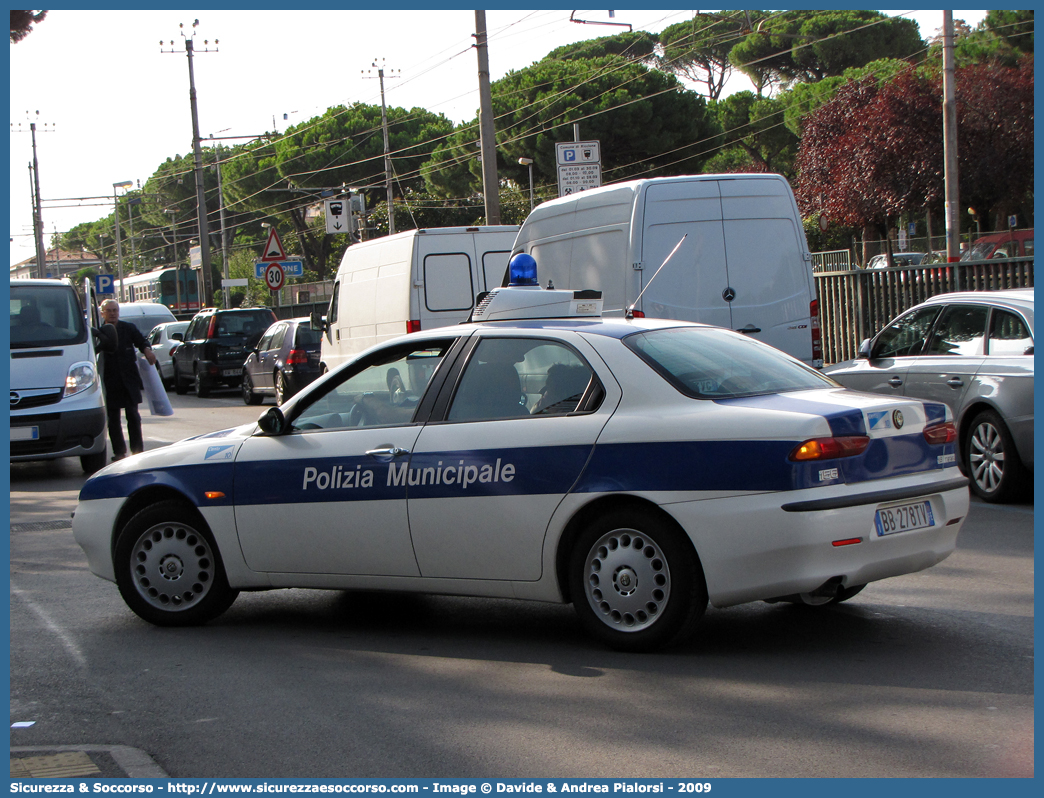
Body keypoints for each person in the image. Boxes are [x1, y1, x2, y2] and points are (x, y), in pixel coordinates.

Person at [99, 299, 157, 461]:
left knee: (133, 415)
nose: (112, 313)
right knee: (113, 418)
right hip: (110, 381)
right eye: (109, 311)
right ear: (102, 313)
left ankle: (137, 450)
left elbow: (141, 341)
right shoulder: (100, 331)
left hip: (129, 380)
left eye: (115, 310)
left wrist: (147, 351)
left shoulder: (128, 328)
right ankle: (119, 452)